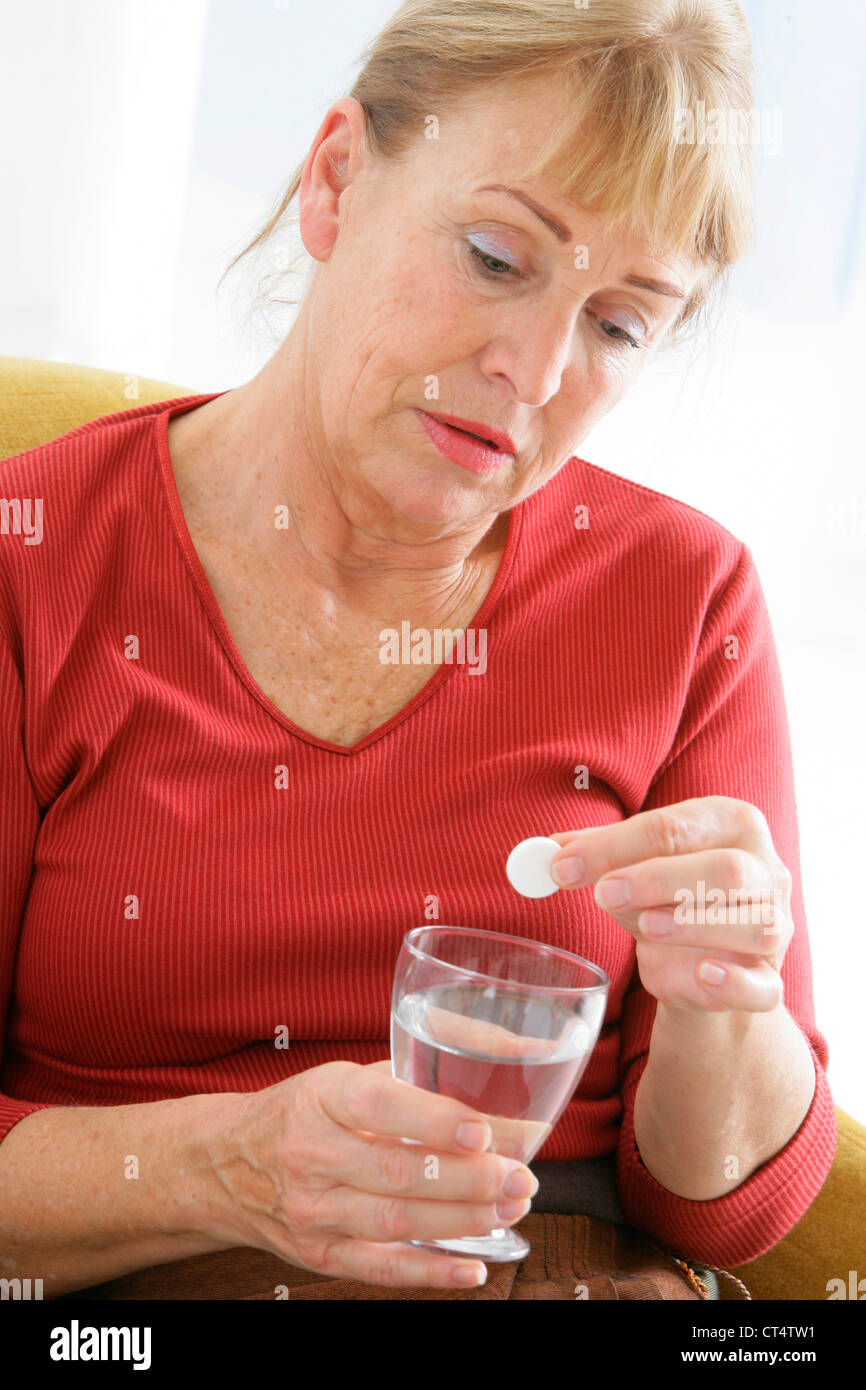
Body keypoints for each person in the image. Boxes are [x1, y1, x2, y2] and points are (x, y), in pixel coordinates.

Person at [0, 0, 836, 1300]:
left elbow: (722, 1213)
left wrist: (730, 1002)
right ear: (335, 182)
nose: (534, 366)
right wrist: (226, 1163)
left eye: (617, 325)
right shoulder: (33, 562)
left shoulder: (685, 593)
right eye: (498, 255)